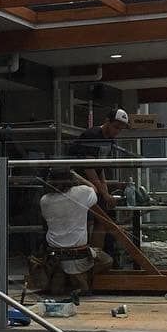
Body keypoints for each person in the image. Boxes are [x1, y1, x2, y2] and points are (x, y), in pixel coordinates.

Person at [66, 108, 129, 261]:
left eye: (120, 129)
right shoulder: (92, 135)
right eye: (115, 127)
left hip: (93, 181)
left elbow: (100, 168)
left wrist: (105, 191)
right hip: (78, 180)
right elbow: (89, 167)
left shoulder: (110, 141)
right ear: (107, 121)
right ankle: (83, 255)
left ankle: (96, 257)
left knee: (103, 219)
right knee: (87, 220)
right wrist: (104, 193)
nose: (117, 131)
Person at [34, 167, 97, 295]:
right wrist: (78, 176)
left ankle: (66, 277)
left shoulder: (45, 200)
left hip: (54, 252)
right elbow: (94, 189)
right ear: (71, 178)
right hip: (78, 252)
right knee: (107, 260)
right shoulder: (82, 192)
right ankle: (77, 280)